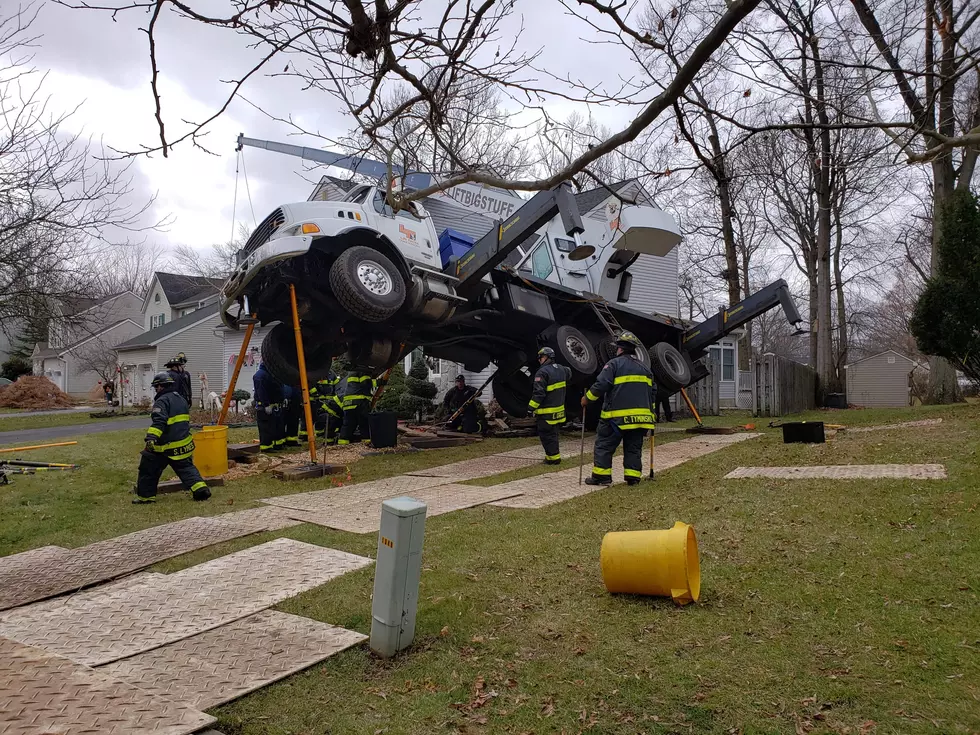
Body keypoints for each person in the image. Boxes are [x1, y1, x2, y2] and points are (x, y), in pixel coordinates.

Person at [581, 330, 655, 486]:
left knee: (604, 446)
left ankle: (601, 477)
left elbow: (601, 385)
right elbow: (652, 394)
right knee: (633, 448)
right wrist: (652, 415)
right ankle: (633, 478)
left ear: (620, 348)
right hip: (641, 419)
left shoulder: (613, 364)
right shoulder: (645, 368)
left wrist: (587, 399)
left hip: (615, 419)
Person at [133, 372, 211, 504]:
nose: (156, 390)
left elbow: (159, 422)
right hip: (183, 444)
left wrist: (151, 438)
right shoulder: (180, 398)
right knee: (186, 468)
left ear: (160, 387)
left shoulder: (162, 401)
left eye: (156, 387)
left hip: (165, 446)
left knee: (148, 468)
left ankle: (146, 497)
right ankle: (201, 490)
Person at [527, 347, 572, 464]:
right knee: (554, 436)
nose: (539, 360)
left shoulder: (542, 372)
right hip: (559, 412)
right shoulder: (562, 369)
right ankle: (553, 457)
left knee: (547, 437)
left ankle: (553, 459)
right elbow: (569, 373)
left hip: (546, 414)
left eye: (540, 358)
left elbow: (539, 394)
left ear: (546, 357)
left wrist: (530, 408)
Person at [338, 367, 376, 445]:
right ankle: (366, 442)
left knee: (348, 425)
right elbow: (366, 384)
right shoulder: (363, 371)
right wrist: (378, 382)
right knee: (364, 423)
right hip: (359, 402)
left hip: (348, 403)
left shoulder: (352, 372)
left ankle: (342, 444)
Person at [253, 362, 283, 453]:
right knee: (265, 427)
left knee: (271, 426)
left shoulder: (268, 374)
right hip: (264, 406)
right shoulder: (260, 376)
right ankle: (266, 447)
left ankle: (272, 445)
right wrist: (266, 404)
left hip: (271, 405)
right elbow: (261, 391)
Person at [310, 369, 343, 445]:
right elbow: (310, 384)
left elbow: (337, 386)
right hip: (317, 400)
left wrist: (336, 395)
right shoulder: (315, 372)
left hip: (330, 402)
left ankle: (325, 435)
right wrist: (315, 394)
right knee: (316, 417)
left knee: (330, 419)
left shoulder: (332, 374)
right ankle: (317, 433)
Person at [282, 383, 303, 447]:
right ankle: (282, 441)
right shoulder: (282, 377)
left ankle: (292, 441)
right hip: (285, 401)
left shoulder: (295, 378)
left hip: (295, 401)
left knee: (294, 421)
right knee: (282, 422)